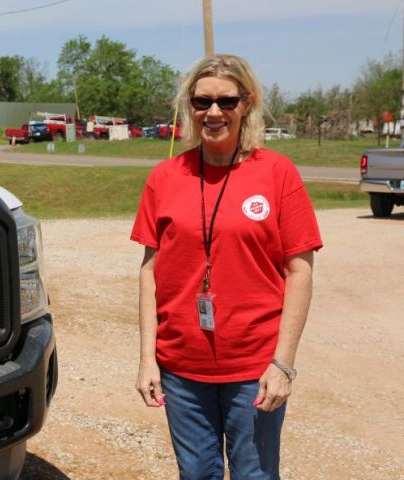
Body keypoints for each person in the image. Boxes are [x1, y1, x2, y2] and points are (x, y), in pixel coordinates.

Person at [130, 54, 323, 479]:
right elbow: (149, 271)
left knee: (255, 474)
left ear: (246, 103)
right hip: (181, 369)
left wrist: (283, 363)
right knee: (197, 474)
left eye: (226, 101)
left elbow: (300, 271)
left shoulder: (277, 173)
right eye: (202, 102)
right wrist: (148, 359)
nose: (213, 112)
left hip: (254, 367)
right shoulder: (164, 177)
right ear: (190, 106)